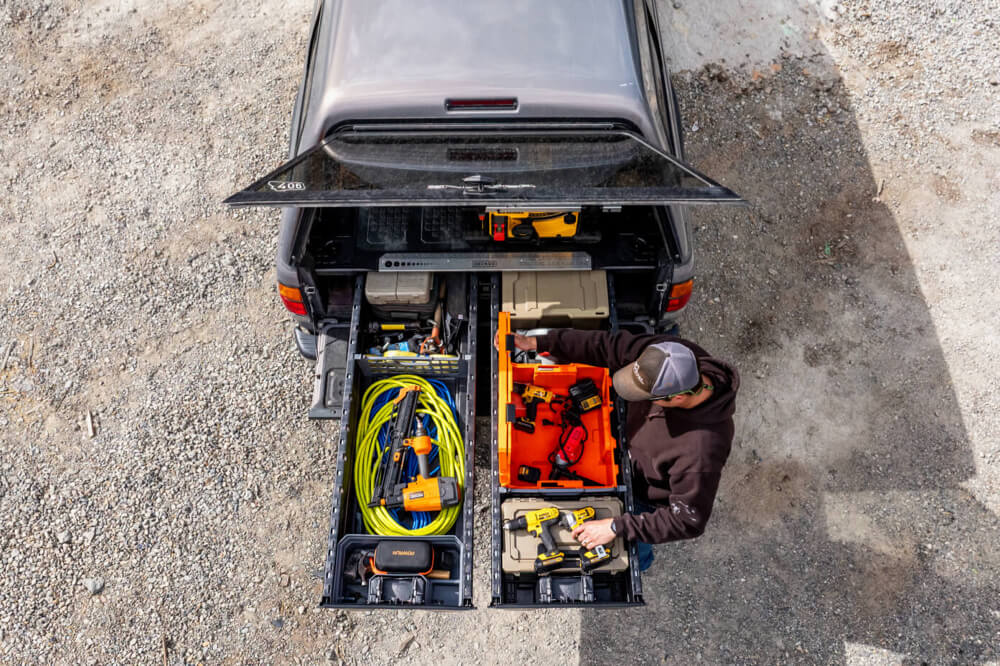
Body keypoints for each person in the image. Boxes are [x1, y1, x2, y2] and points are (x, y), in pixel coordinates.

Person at [508, 328, 739, 571]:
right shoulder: (671, 354)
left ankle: (642, 563)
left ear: (677, 398)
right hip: (620, 444)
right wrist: (539, 341)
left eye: (646, 395)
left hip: (641, 494)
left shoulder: (701, 449)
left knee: (632, 557)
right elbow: (608, 344)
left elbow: (687, 520)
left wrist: (615, 526)